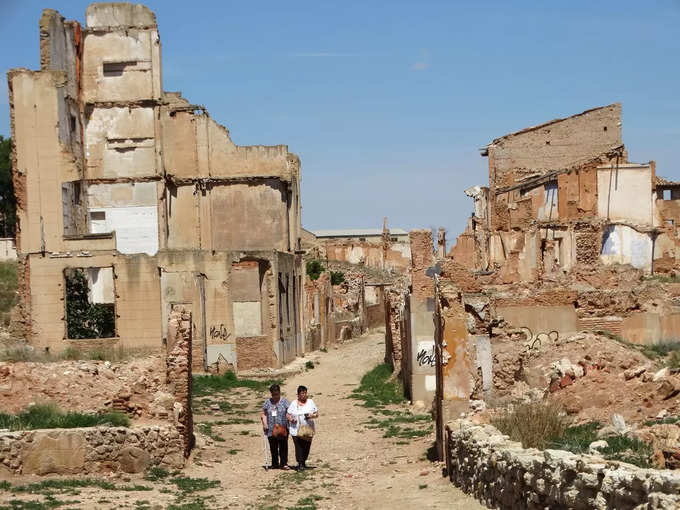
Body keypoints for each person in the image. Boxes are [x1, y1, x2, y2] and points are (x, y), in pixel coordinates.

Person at [286, 385, 318, 470]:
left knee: (307, 446)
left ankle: (303, 462)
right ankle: (300, 464)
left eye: (305, 393)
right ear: (298, 394)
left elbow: (316, 414)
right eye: (302, 393)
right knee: (299, 446)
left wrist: (311, 415)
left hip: (308, 429)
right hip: (295, 429)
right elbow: (288, 414)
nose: (304, 395)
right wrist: (291, 419)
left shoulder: (311, 402)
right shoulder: (293, 403)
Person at [261, 383, 290, 469]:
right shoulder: (268, 402)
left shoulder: (285, 402)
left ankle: (284, 463)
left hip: (283, 428)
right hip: (271, 428)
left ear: (279, 392)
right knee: (273, 447)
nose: (275, 396)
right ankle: (275, 463)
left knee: (283, 446)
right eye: (273, 394)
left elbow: (289, 412)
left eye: (277, 394)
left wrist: (291, 420)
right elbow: (264, 414)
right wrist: (265, 424)